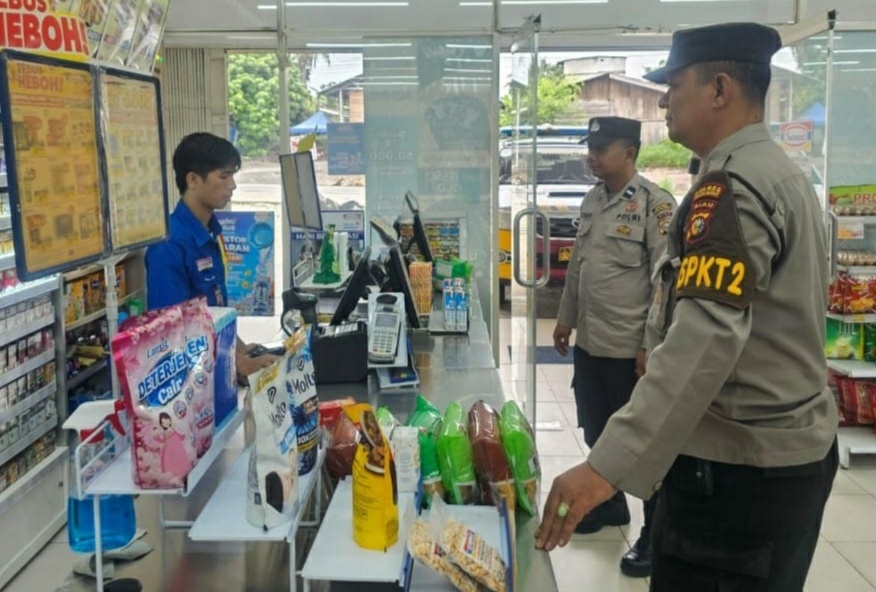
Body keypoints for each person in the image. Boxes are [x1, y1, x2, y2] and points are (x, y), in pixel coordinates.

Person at [536, 22, 839, 592]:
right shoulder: (777, 171)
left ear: (719, 89)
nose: (664, 101)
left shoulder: (731, 186)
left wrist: (604, 467)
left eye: (674, 86)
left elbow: (705, 338)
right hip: (782, 459)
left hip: (741, 473)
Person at [553, 116, 676, 578]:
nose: (592, 155)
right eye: (591, 146)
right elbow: (578, 271)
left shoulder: (654, 206)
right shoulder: (591, 202)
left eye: (602, 148)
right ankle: (611, 506)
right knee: (597, 429)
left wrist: (651, 345)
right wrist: (566, 320)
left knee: (641, 446)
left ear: (630, 153)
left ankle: (653, 534)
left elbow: (664, 284)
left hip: (630, 351)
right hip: (592, 342)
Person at [146, 132, 277, 379]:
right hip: (190, 385)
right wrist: (235, 363)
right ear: (193, 179)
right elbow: (171, 333)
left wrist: (239, 348)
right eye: (224, 176)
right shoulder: (170, 245)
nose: (233, 185)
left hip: (217, 370)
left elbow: (213, 311)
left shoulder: (210, 232)